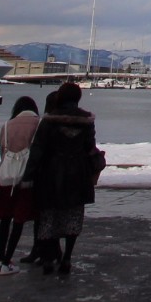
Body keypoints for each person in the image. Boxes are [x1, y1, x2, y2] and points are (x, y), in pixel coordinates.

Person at [22, 82, 99, 274]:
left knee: (48, 216)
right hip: (78, 173)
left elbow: (38, 149)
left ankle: (48, 259)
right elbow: (90, 147)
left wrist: (28, 175)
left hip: (51, 172)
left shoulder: (49, 121)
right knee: (73, 216)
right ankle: (67, 258)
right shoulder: (87, 121)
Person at [0, 95, 41, 274]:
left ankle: (0, 258)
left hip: (6, 178)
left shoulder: (7, 125)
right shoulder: (38, 124)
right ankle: (7, 261)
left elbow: (3, 151)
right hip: (26, 180)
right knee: (19, 220)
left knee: (5, 219)